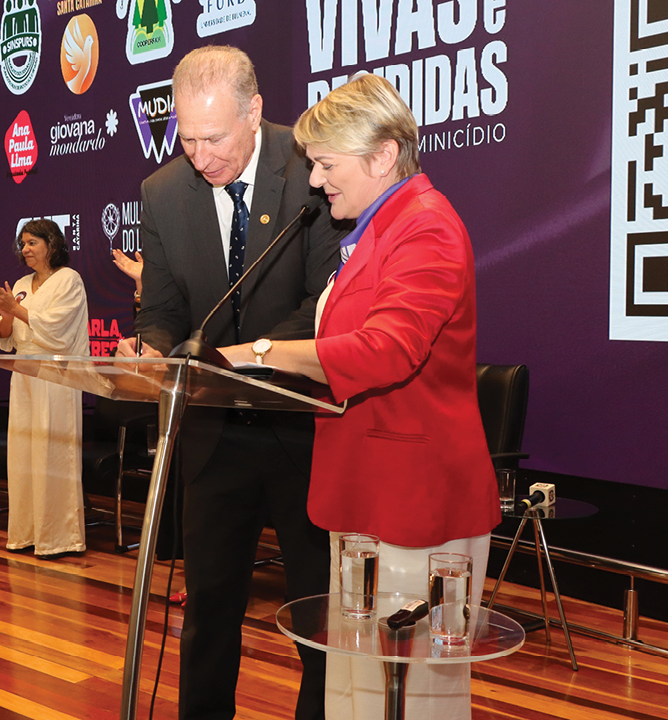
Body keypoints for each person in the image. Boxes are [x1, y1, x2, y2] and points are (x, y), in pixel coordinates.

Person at [234, 73, 500, 719]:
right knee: (358, 680)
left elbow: (386, 349)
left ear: (382, 156)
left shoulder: (427, 227)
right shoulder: (380, 229)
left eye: (326, 164)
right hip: (366, 490)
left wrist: (259, 353)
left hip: (415, 502)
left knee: (414, 691)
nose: (318, 181)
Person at [116, 46, 342, 720]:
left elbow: (327, 300)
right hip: (213, 432)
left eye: (214, 137)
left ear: (255, 112)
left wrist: (238, 355)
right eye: (186, 137)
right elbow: (159, 310)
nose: (199, 154)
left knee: (317, 612)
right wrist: (151, 351)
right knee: (208, 611)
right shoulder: (163, 193)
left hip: (301, 423)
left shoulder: (312, 168)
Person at [0, 219, 89, 556]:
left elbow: (57, 329)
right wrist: (6, 312)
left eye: (32, 242)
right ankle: (26, 532)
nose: (26, 249)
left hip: (56, 376)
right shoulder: (21, 283)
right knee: (24, 454)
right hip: (25, 375)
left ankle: (59, 538)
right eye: (23, 243)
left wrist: (15, 308)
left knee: (52, 454)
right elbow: (7, 333)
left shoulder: (68, 280)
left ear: (52, 244)